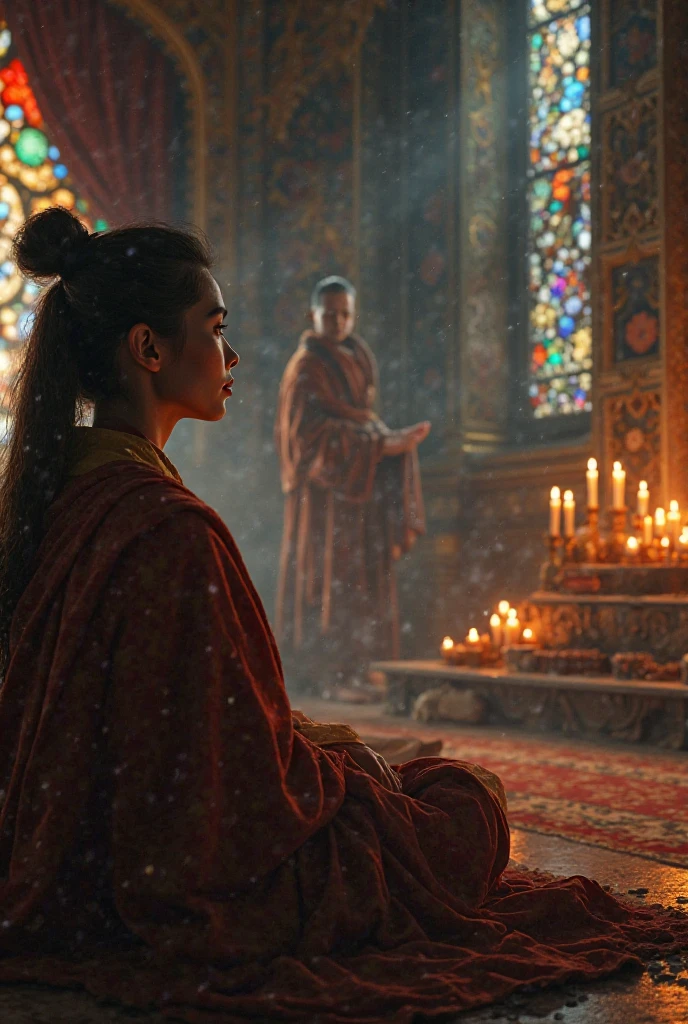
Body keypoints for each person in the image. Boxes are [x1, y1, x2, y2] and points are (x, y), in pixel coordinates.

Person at [0, 208, 684, 1024]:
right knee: (466, 802)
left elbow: (176, 733)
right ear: (148, 350)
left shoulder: (67, 499)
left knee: (400, 776)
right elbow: (243, 793)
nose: (233, 354)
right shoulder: (167, 528)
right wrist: (348, 764)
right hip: (179, 872)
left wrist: (328, 746)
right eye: (215, 329)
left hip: (86, 850)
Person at [275, 276, 430, 700]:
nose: (338, 321)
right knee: (330, 583)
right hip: (324, 503)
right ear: (313, 315)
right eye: (330, 314)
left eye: (345, 313)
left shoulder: (358, 355)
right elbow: (307, 442)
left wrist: (385, 442)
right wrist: (380, 443)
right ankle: (331, 675)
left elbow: (359, 419)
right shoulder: (305, 368)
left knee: (361, 582)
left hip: (359, 495)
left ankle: (362, 669)